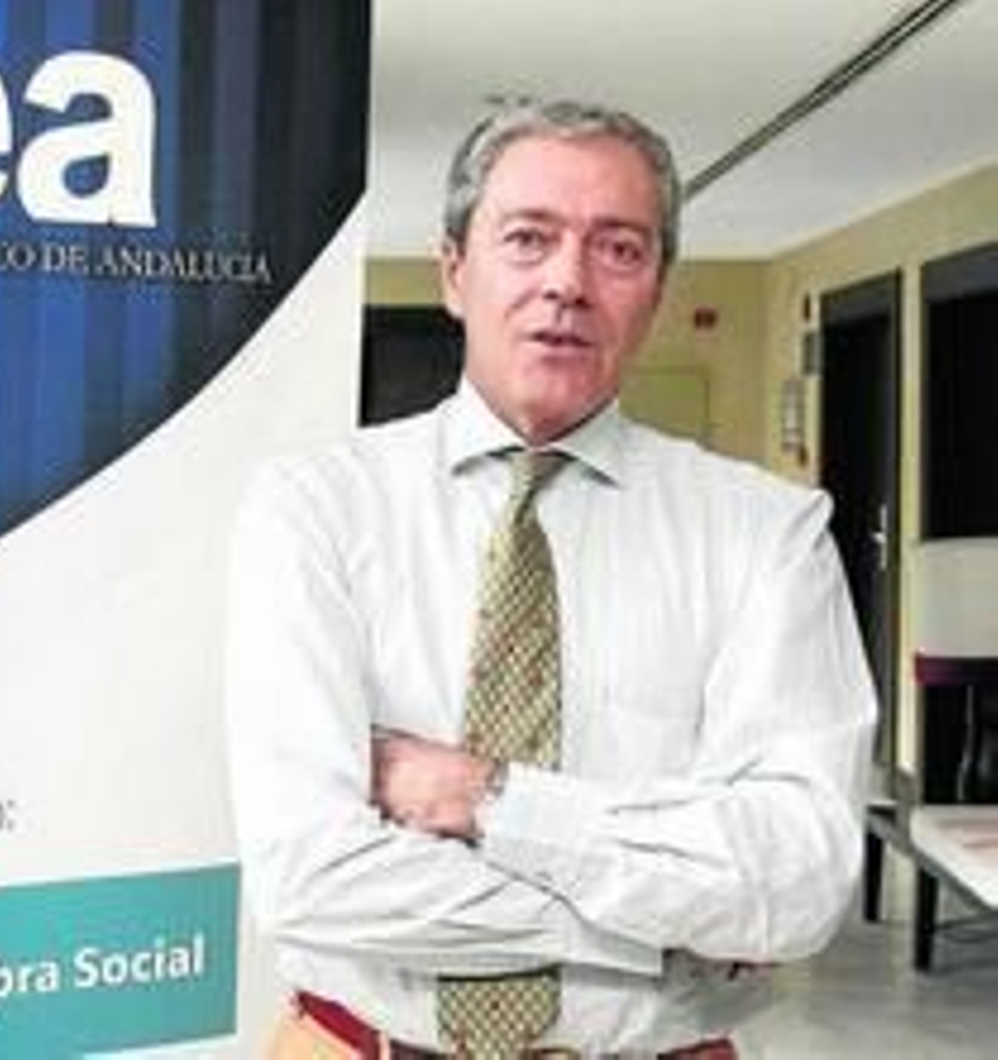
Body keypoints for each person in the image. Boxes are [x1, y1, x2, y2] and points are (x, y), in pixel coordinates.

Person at [224, 99, 876, 1058]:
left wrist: (487, 800)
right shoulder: (316, 508)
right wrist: (666, 926)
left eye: (619, 249)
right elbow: (309, 878)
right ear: (455, 272)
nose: (568, 282)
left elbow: (799, 885)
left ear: (656, 290)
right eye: (528, 238)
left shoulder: (767, 533)